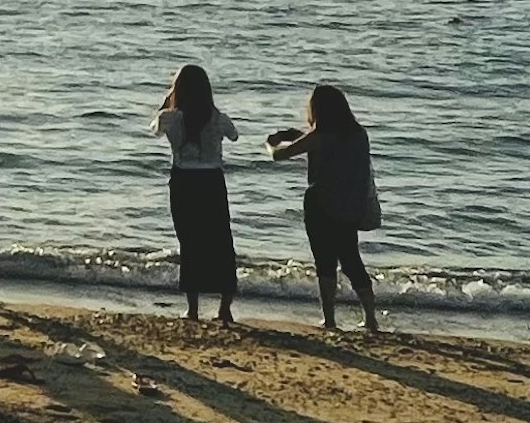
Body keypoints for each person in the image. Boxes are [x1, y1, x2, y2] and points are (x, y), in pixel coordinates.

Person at [268, 85, 380, 333]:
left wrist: (271, 143)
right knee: (352, 261)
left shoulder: (320, 135)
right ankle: (370, 318)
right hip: (350, 205)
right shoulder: (358, 134)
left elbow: (281, 155)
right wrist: (298, 133)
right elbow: (330, 147)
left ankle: (330, 319)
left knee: (325, 262)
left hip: (321, 204)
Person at [153, 64, 242, 325]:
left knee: (190, 243)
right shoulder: (217, 118)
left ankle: (193, 309)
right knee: (221, 242)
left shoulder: (171, 118)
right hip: (212, 181)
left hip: (184, 181)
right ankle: (225, 308)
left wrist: (167, 101)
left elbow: (155, 129)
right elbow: (234, 136)